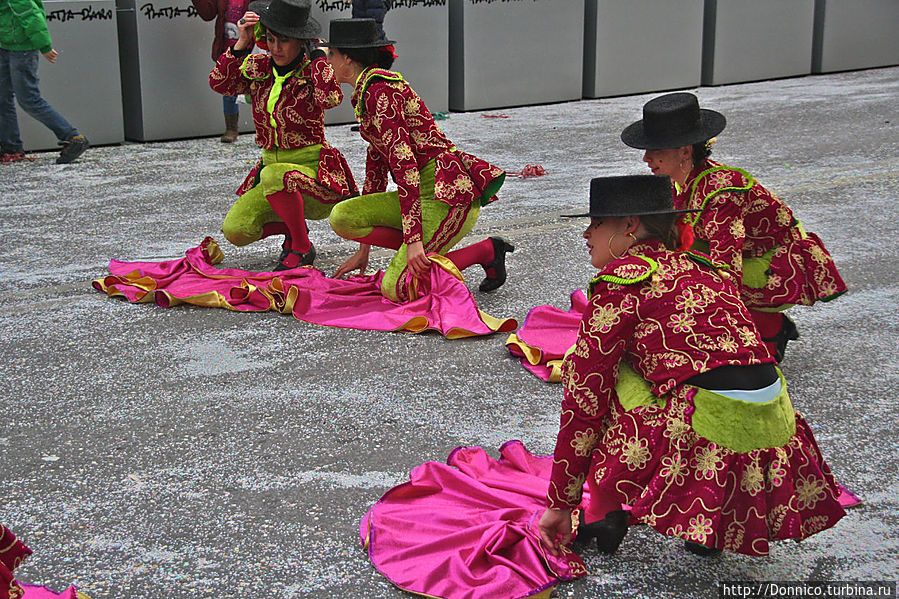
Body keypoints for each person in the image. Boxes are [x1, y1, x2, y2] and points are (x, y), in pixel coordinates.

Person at [537, 174, 845, 558]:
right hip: (776, 421)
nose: (587, 234)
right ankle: (707, 529)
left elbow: (584, 402)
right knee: (683, 375)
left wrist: (560, 503)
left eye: (596, 223)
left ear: (630, 226)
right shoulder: (705, 268)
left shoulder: (620, 285)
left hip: (709, 428)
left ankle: (602, 511)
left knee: (601, 377)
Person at [620, 92, 847, 361]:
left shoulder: (722, 192)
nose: (646, 158)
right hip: (742, 253)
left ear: (685, 150)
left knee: (695, 282)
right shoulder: (677, 179)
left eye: (656, 151)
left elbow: (726, 268)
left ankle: (770, 328)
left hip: (777, 262)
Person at [324, 18, 513, 302]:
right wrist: (363, 251)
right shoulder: (368, 93)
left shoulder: (379, 92)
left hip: (446, 195)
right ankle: (426, 251)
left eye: (330, 54)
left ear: (347, 59)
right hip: (422, 194)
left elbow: (406, 168)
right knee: (343, 216)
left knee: (396, 290)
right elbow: (376, 167)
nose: (326, 60)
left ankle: (484, 251)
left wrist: (413, 242)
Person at [209, 0, 358, 270]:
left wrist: (318, 58)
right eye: (272, 39)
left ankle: (301, 247)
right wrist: (242, 42)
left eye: (284, 41)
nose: (276, 48)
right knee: (236, 230)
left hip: (313, 173)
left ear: (302, 42)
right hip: (272, 170)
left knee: (273, 175)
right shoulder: (259, 67)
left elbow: (331, 98)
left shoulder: (312, 71)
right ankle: (295, 229)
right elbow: (220, 83)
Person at [0, 0, 89, 164]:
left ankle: (72, 137)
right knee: (2, 98)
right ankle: (11, 148)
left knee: (29, 100)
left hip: (22, 49)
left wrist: (45, 46)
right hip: (5, 45)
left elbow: (29, 14)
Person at [191, 0, 253, 142]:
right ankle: (231, 129)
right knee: (228, 89)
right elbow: (208, 14)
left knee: (258, 89)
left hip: (252, 47)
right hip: (229, 48)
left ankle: (263, 129)